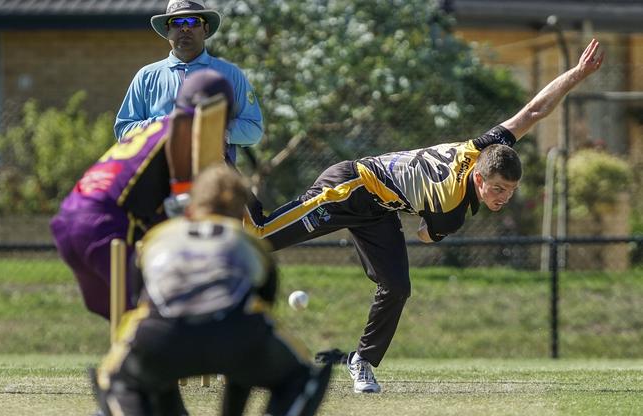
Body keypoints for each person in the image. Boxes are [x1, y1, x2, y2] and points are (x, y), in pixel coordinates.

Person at [245, 39, 605, 394]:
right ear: (478, 178)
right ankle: (223, 177)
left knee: (397, 287)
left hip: (380, 211)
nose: (503, 198)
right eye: (497, 189)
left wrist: (577, 73)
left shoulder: (481, 148)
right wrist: (426, 216)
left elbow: (534, 112)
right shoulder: (450, 207)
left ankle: (363, 361)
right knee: (261, 235)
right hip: (350, 188)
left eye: (510, 192)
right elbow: (424, 235)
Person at [93, 165, 332, 416]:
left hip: (160, 337)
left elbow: (146, 305)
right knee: (305, 372)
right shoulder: (249, 242)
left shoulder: (157, 237)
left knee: (114, 374)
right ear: (238, 214)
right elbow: (257, 314)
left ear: (189, 208)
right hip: (237, 335)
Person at [50, 70, 235, 416]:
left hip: (70, 218)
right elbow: (183, 205)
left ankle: (156, 410)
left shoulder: (154, 128)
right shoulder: (185, 131)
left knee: (134, 321)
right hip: (107, 225)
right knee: (151, 319)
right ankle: (110, 414)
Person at [115, 0, 263, 164]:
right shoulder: (146, 76)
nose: (185, 28)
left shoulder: (231, 74)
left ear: (205, 29)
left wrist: (216, 130)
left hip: (213, 179)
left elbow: (254, 129)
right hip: (159, 181)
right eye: (176, 22)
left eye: (193, 21)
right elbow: (123, 130)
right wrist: (165, 125)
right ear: (167, 30)